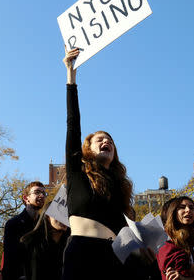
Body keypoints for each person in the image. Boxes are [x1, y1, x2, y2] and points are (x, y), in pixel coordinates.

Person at [61, 49, 134, 279]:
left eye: (110, 141)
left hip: (113, 259)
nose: (106, 142)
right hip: (82, 254)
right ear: (88, 149)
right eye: (99, 139)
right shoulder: (77, 173)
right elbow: (73, 124)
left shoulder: (119, 186)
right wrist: (71, 79)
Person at [2, 181, 47, 280]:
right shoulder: (13, 224)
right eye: (37, 192)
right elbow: (10, 258)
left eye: (44, 193)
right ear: (26, 198)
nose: (42, 195)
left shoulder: (45, 225)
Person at [20, 202, 70, 280]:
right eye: (59, 213)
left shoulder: (71, 245)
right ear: (47, 216)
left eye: (67, 214)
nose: (64, 218)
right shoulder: (29, 242)